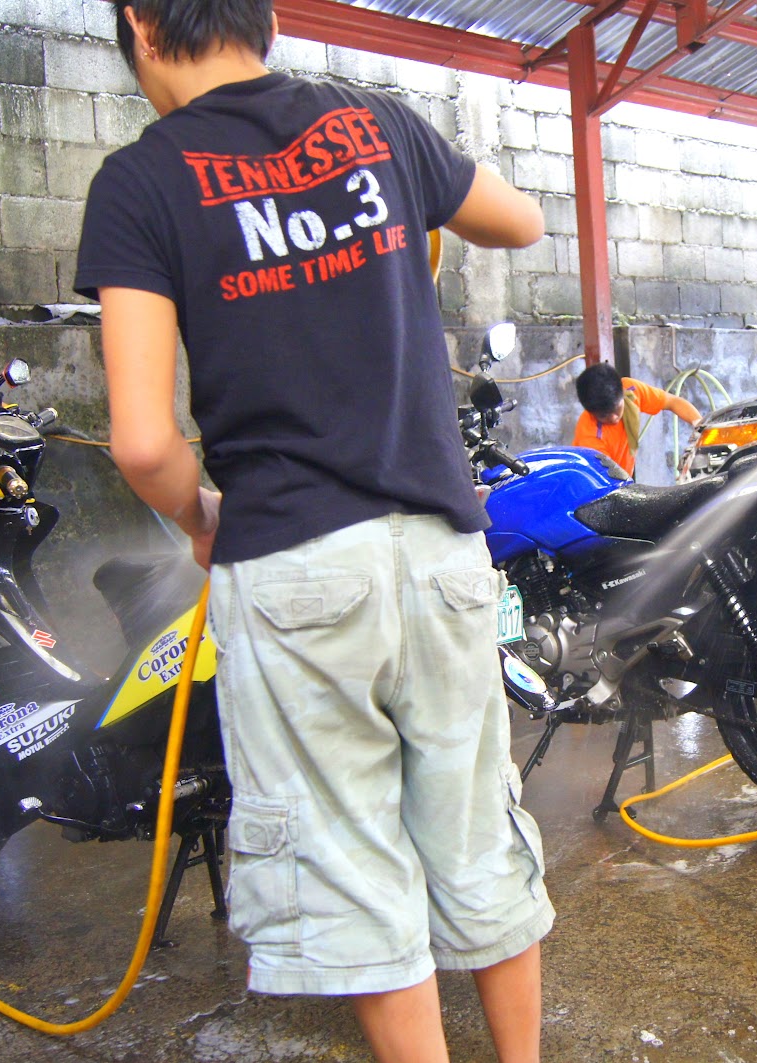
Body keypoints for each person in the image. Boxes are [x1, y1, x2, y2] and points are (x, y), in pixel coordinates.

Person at [75, 2, 554, 1059]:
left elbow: (145, 443)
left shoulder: (141, 183)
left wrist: (197, 515)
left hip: (292, 563)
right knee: (475, 829)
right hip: (440, 554)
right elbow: (518, 221)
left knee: (349, 862)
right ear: (269, 19)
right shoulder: (376, 123)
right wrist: (398, 233)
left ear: (143, 28)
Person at [572, 362, 701, 477]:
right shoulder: (590, 437)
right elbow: (608, 482)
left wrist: (701, 427)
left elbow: (672, 402)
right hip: (597, 487)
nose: (614, 418)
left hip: (622, 477)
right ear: (591, 413)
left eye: (617, 409)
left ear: (622, 392)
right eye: (604, 416)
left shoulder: (631, 390)